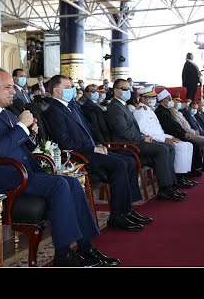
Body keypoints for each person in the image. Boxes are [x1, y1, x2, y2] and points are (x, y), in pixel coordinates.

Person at [0, 68, 120, 267]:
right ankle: (63, 255)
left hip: (20, 171)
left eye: (13, 86)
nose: (13, 91)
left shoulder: (7, 114)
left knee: (71, 182)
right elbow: (0, 149)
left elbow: (20, 145)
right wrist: (21, 127)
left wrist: (30, 133)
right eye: (8, 87)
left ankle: (85, 246)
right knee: (60, 185)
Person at [43, 75, 150, 231]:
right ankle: (117, 217)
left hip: (90, 149)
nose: (72, 90)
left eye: (72, 86)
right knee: (120, 164)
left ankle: (126, 210)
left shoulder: (71, 106)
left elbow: (87, 129)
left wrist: (97, 144)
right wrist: (92, 148)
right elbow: (65, 142)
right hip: (78, 155)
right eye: (68, 87)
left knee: (129, 161)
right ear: (56, 91)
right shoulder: (54, 111)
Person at [106, 79, 185, 201]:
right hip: (127, 144)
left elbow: (131, 129)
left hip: (134, 140)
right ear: (116, 91)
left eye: (129, 89)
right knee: (162, 149)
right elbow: (123, 132)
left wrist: (143, 137)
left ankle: (170, 185)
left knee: (168, 148)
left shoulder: (122, 105)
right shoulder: (114, 107)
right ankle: (164, 188)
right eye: (125, 89)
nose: (129, 91)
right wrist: (142, 137)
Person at [135, 87, 196, 188]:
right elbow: (144, 131)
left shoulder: (149, 110)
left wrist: (170, 136)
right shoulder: (140, 111)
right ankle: (177, 178)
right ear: (144, 99)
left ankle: (182, 176)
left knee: (187, 145)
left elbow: (158, 130)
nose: (154, 99)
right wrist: (164, 139)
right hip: (153, 139)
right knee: (180, 147)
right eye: (151, 97)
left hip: (160, 135)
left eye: (154, 97)